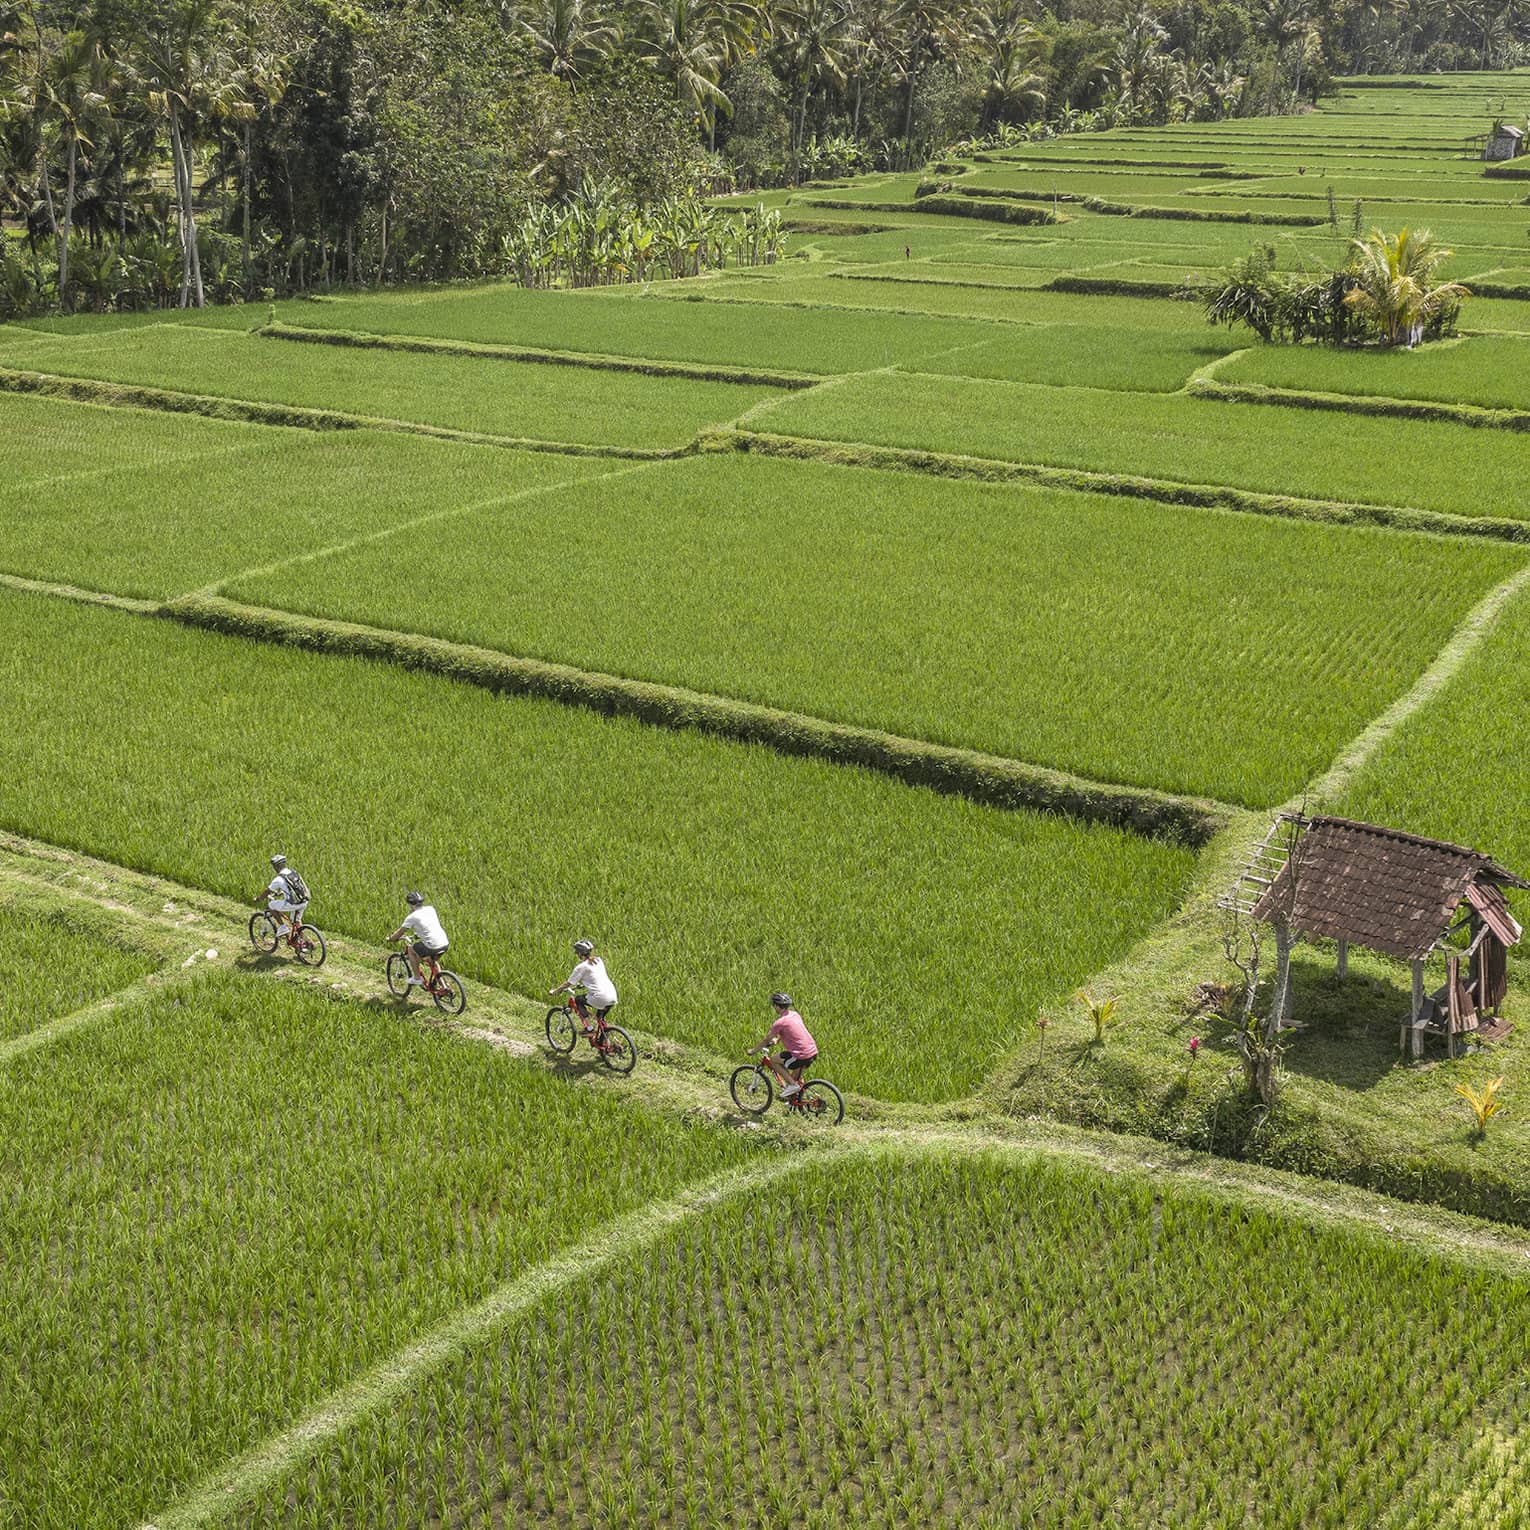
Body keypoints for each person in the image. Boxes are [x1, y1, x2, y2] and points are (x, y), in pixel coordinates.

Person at [749, 991, 817, 1099]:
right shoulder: (795, 1014)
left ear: (776, 1006)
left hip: (800, 1054)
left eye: (773, 1005)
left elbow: (766, 1040)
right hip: (812, 1051)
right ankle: (796, 1101)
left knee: (773, 1060)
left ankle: (794, 1086)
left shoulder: (780, 1022)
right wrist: (778, 1040)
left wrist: (753, 1051)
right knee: (794, 1077)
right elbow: (793, 1032)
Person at [549, 939, 619, 1033]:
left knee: (578, 1000)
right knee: (600, 1020)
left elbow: (568, 983)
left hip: (600, 996)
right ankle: (605, 1043)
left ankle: (588, 1028)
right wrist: (584, 984)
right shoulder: (598, 960)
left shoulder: (581, 967)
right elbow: (594, 977)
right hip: (612, 995)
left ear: (580, 954)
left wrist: (556, 991)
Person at [388, 891, 449, 986]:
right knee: (431, 961)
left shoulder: (412, 917)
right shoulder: (430, 909)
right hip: (444, 943)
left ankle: (417, 978)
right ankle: (444, 987)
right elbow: (428, 925)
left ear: (410, 904)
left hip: (432, 945)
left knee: (411, 949)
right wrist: (418, 934)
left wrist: (391, 939)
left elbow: (400, 932)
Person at [258, 853, 309, 936]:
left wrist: (259, 898)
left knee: (271, 905)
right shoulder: (294, 872)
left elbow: (267, 891)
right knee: (295, 921)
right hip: (304, 902)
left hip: (293, 904)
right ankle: (306, 942)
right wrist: (281, 892)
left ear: (276, 866)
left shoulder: (278, 879)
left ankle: (282, 927)